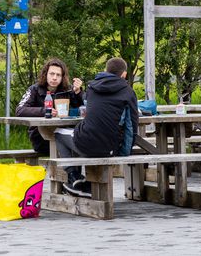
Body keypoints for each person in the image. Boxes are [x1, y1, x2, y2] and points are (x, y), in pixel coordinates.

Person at [54, 57, 139, 198]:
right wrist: (124, 153)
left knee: (58, 133)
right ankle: (81, 183)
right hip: (110, 148)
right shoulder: (128, 92)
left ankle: (74, 176)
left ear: (106, 70)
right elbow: (131, 126)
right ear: (123, 74)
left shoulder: (92, 87)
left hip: (86, 143)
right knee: (90, 137)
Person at [16, 58, 83, 155]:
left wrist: (78, 92)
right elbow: (19, 110)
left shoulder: (68, 90)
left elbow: (82, 108)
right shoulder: (34, 89)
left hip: (65, 136)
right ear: (46, 74)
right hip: (41, 138)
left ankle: (72, 170)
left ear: (62, 77)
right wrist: (45, 111)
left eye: (58, 75)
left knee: (78, 147)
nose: (55, 78)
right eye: (52, 74)